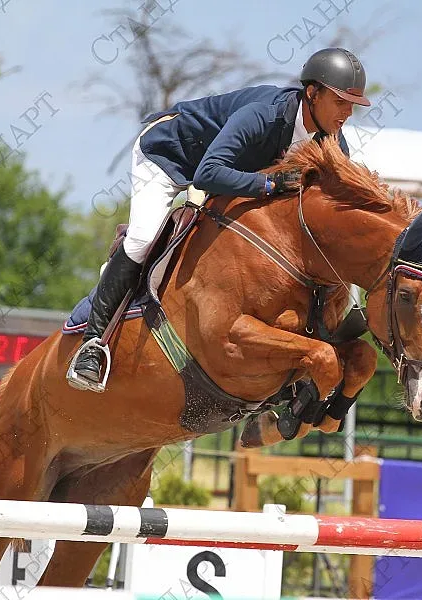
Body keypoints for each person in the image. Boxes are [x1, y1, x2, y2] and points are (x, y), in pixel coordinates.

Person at [67, 48, 371, 392]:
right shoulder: (264, 116)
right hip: (171, 156)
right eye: (341, 101)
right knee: (142, 238)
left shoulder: (332, 142)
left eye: (353, 105)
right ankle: (92, 346)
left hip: (224, 174)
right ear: (313, 93)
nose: (347, 112)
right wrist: (269, 184)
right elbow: (207, 173)